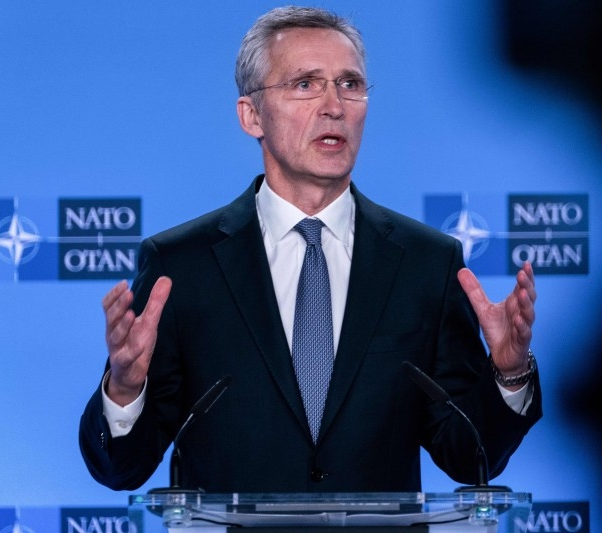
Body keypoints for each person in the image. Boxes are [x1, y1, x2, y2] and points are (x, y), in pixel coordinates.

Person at [79, 5, 542, 494]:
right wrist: (125, 390)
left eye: (350, 84)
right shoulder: (182, 266)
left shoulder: (426, 263)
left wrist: (507, 375)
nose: (334, 106)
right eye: (305, 84)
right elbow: (121, 469)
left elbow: (470, 455)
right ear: (251, 115)